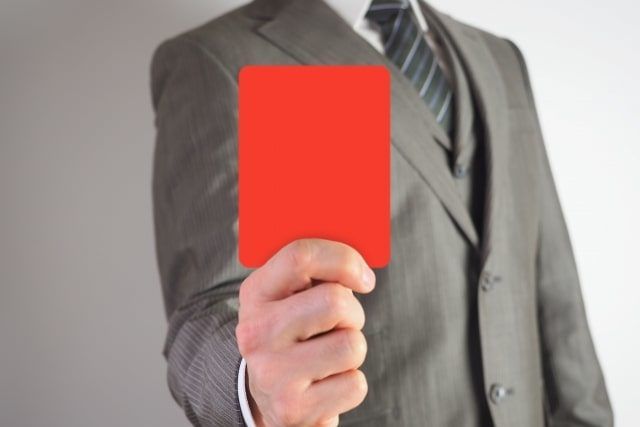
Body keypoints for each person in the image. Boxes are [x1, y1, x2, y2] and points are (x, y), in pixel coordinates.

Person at [150, 0, 613, 425]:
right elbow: (204, 315)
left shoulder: (500, 59)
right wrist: (252, 389)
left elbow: (555, 288)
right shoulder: (217, 59)